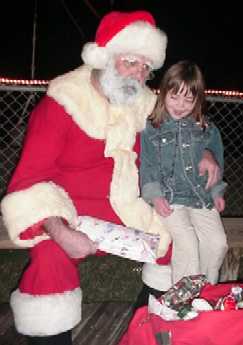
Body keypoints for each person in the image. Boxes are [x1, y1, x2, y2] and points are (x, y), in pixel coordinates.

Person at [0, 11, 220, 345]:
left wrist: (203, 153)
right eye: (131, 62)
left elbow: (183, 132)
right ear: (105, 57)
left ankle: (147, 328)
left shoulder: (145, 106)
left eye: (146, 67)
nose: (139, 74)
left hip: (127, 208)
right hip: (69, 212)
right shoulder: (61, 105)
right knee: (49, 262)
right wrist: (59, 229)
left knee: (176, 243)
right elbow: (29, 181)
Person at [140, 60, 228, 288]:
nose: (180, 105)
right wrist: (155, 196)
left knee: (217, 243)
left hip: (201, 197)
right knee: (187, 242)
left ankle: (205, 291)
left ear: (198, 99)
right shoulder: (152, 127)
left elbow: (216, 162)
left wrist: (217, 191)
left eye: (188, 99)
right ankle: (184, 300)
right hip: (170, 199)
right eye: (174, 97)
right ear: (163, 92)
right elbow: (147, 165)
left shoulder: (207, 128)